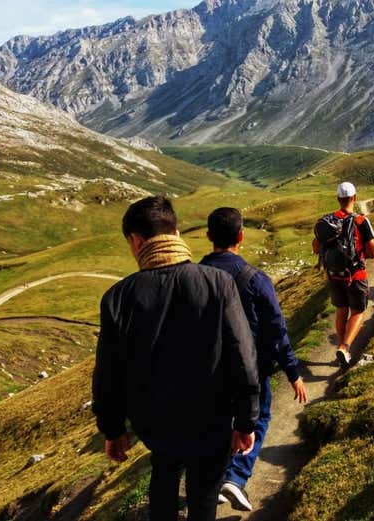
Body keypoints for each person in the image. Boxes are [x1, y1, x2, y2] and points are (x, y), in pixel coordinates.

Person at [92, 196, 260, 521]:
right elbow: (243, 355)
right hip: (212, 419)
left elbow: (108, 374)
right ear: (176, 232)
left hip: (157, 424)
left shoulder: (118, 298)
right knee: (204, 498)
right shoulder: (218, 283)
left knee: (164, 472)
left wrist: (112, 431)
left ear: (137, 240)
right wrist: (245, 421)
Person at [201, 207, 308, 512]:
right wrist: (292, 371)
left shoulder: (194, 276)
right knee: (257, 418)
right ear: (241, 237)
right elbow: (277, 329)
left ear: (209, 237)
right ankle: (235, 477)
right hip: (252, 369)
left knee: (220, 421)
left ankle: (217, 478)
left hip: (209, 370)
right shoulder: (255, 278)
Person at [313, 182, 374, 368]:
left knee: (341, 310)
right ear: (354, 198)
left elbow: (316, 247)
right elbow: (372, 251)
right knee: (358, 311)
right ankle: (345, 347)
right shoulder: (360, 221)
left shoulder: (327, 222)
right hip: (355, 275)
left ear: (338, 199)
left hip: (334, 275)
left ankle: (343, 353)